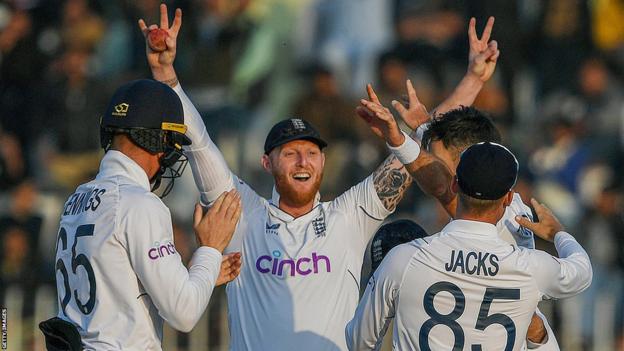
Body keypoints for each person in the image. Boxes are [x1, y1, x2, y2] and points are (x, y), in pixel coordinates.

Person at [138, 5, 499, 350]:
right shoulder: (242, 214)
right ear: (267, 162)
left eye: (311, 153)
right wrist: (166, 75)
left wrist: (472, 80)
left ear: (323, 162)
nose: (302, 161)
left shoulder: (349, 216)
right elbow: (198, 143)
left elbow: (416, 148)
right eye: (290, 152)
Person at [39, 79, 242, 350]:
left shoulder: (77, 197)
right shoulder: (140, 203)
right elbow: (184, 313)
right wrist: (211, 248)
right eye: (170, 143)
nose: (169, 154)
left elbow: (118, 287)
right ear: (155, 139)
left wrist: (197, 275)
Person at [357, 84, 560, 349]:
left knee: (396, 242)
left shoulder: (494, 216)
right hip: (518, 332)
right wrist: (423, 128)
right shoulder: (506, 206)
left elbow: (441, 185)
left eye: (436, 159)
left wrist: (398, 140)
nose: (428, 161)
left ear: (470, 164)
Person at [346, 142, 592, 350]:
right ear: (507, 198)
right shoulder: (528, 267)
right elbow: (582, 272)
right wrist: (558, 233)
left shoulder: (404, 258)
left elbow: (359, 341)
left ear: (455, 185)